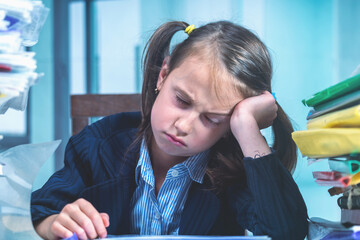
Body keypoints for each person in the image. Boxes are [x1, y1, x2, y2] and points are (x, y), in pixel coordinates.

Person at [31, 21, 308, 240]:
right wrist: (54, 223)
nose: (184, 126)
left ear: (230, 125)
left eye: (212, 119)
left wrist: (247, 128)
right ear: (163, 75)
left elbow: (287, 232)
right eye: (182, 101)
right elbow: (37, 209)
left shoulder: (233, 170)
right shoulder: (98, 144)